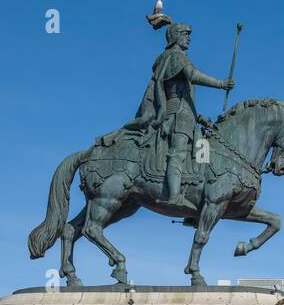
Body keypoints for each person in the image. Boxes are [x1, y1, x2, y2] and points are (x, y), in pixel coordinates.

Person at [101, 17, 236, 203]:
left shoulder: (174, 57)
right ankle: (174, 197)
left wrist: (201, 118)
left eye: (189, 35)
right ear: (176, 36)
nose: (189, 38)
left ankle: (201, 199)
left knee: (204, 154)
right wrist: (221, 84)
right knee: (178, 152)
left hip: (188, 114)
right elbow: (193, 75)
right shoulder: (176, 56)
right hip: (177, 114)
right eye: (185, 35)